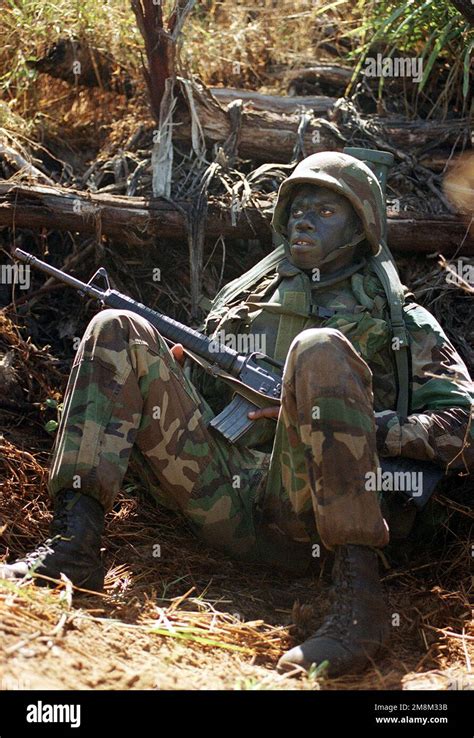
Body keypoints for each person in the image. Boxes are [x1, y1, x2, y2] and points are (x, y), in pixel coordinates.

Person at [1, 152, 472, 677]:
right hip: (224, 493)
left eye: (325, 211)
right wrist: (182, 375)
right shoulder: (245, 303)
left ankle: (359, 604)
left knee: (319, 347)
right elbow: (206, 397)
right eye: (297, 208)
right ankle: (74, 546)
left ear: (361, 227)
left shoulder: (402, 323)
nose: (303, 219)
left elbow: (463, 425)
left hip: (311, 517)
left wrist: (373, 426)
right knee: (117, 325)